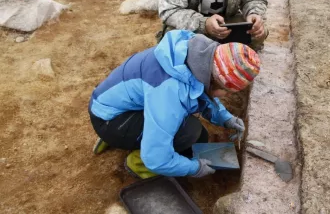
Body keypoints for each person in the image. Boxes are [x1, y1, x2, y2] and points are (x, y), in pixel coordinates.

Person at [88, 30, 261, 179]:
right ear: (214, 79)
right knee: (189, 133)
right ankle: (137, 162)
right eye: (226, 90)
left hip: (113, 104)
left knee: (198, 136)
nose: (225, 95)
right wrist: (194, 168)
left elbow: (200, 91)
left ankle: (126, 133)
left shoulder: (195, 56)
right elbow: (157, 158)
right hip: (109, 119)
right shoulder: (169, 90)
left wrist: (225, 118)